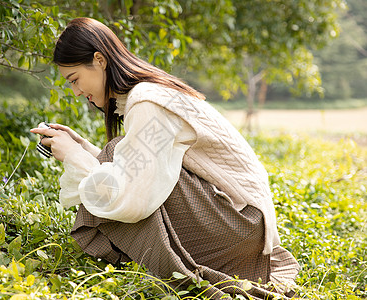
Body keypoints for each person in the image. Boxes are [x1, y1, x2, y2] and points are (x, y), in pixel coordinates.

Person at [30, 17, 300, 299]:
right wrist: (83, 148)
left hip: (237, 226)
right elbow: (143, 169)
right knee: (115, 153)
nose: (76, 92)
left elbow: (133, 196)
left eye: (75, 80)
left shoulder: (147, 101)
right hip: (243, 227)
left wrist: (75, 157)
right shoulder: (149, 94)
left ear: (99, 60)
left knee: (115, 154)